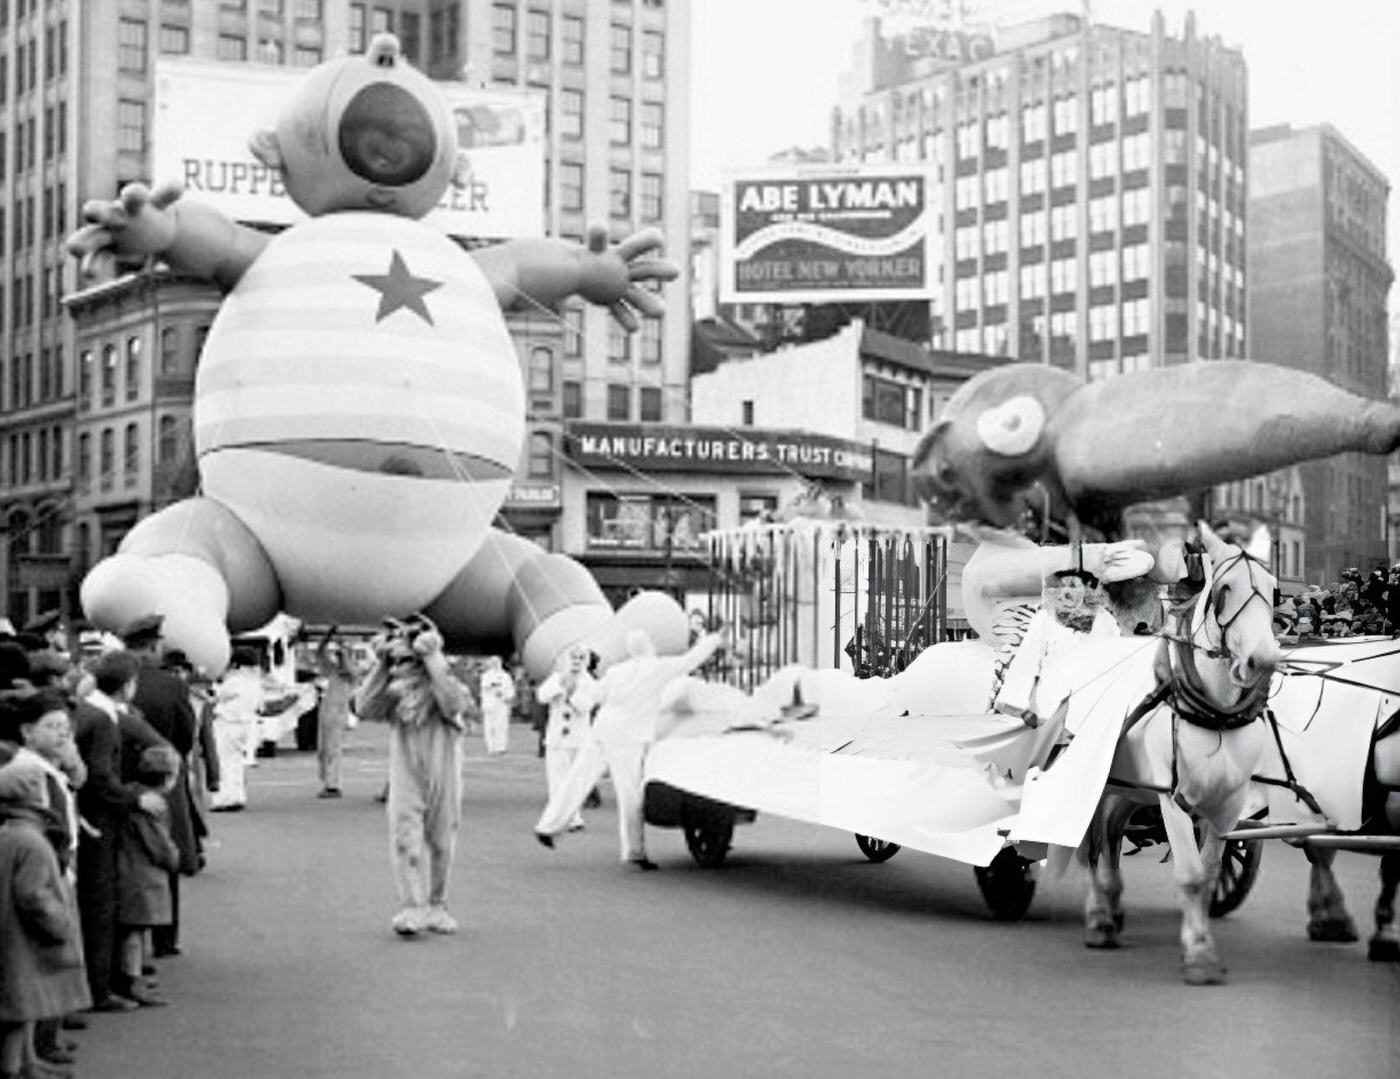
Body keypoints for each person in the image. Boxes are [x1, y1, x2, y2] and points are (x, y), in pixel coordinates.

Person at [535, 630, 727, 869]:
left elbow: (595, 695)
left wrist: (573, 694)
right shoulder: (658, 668)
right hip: (628, 737)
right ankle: (635, 851)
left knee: (577, 779)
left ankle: (548, 826)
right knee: (630, 796)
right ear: (650, 647)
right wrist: (714, 640)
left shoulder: (617, 671)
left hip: (602, 728)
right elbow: (691, 659)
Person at [354, 614, 475, 937]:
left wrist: (433, 657)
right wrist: (381, 664)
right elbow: (363, 706)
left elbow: (452, 705)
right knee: (405, 841)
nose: (401, 666)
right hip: (406, 776)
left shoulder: (446, 685)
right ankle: (412, 905)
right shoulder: (395, 696)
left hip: (443, 776)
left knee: (441, 843)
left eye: (408, 660)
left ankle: (438, 904)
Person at [71, 650, 166, 1014]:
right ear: (127, 685)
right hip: (99, 821)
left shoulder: (86, 710)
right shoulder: (103, 720)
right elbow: (101, 777)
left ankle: (102, 982)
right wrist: (134, 799)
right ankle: (99, 988)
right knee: (101, 903)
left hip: (87, 817)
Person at [3, 692, 86, 1069]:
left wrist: (72, 757)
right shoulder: (28, 773)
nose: (61, 735)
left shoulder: (52, 768)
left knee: (38, 975)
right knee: (35, 973)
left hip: (59, 873)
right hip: (49, 877)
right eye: (51, 727)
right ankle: (33, 1052)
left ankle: (34, 1053)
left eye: (66, 729)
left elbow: (78, 783)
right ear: (26, 731)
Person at [119, 615, 199, 959]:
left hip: (122, 778)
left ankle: (124, 942)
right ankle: (166, 938)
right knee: (167, 854)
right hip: (165, 780)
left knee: (122, 860)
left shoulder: (107, 679)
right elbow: (186, 733)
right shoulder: (172, 685)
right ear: (154, 646)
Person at [114, 745, 182, 1008]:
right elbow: (158, 843)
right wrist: (174, 857)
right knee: (135, 929)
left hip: (129, 866)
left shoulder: (132, 793)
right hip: (141, 872)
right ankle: (132, 979)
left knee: (133, 929)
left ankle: (132, 975)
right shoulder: (153, 806)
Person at [535, 646, 597, 833]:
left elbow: (586, 706)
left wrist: (572, 694)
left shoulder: (589, 682)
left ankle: (574, 817)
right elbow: (542, 696)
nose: (576, 661)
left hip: (578, 738)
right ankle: (558, 819)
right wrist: (559, 687)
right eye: (573, 657)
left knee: (575, 780)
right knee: (556, 779)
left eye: (580, 658)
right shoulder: (556, 677)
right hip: (556, 738)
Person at [208, 646, 266, 812]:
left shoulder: (234, 680)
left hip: (228, 723)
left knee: (223, 761)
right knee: (236, 762)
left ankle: (224, 798)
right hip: (247, 724)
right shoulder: (255, 682)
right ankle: (237, 795)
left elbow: (217, 695)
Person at [313, 631, 357, 799]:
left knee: (333, 749)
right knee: (323, 750)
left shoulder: (349, 673)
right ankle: (327, 781)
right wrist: (327, 638)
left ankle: (333, 785)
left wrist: (343, 651)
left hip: (338, 713)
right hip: (326, 712)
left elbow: (348, 668)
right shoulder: (332, 671)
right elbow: (320, 654)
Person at [477, 655, 516, 756]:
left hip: (502, 704)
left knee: (501, 726)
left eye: (496, 662)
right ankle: (491, 747)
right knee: (489, 727)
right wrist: (494, 688)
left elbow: (511, 690)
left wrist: (505, 696)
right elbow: (485, 688)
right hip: (490, 704)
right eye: (492, 662)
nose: (494, 664)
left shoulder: (506, 676)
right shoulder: (486, 676)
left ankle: (501, 747)